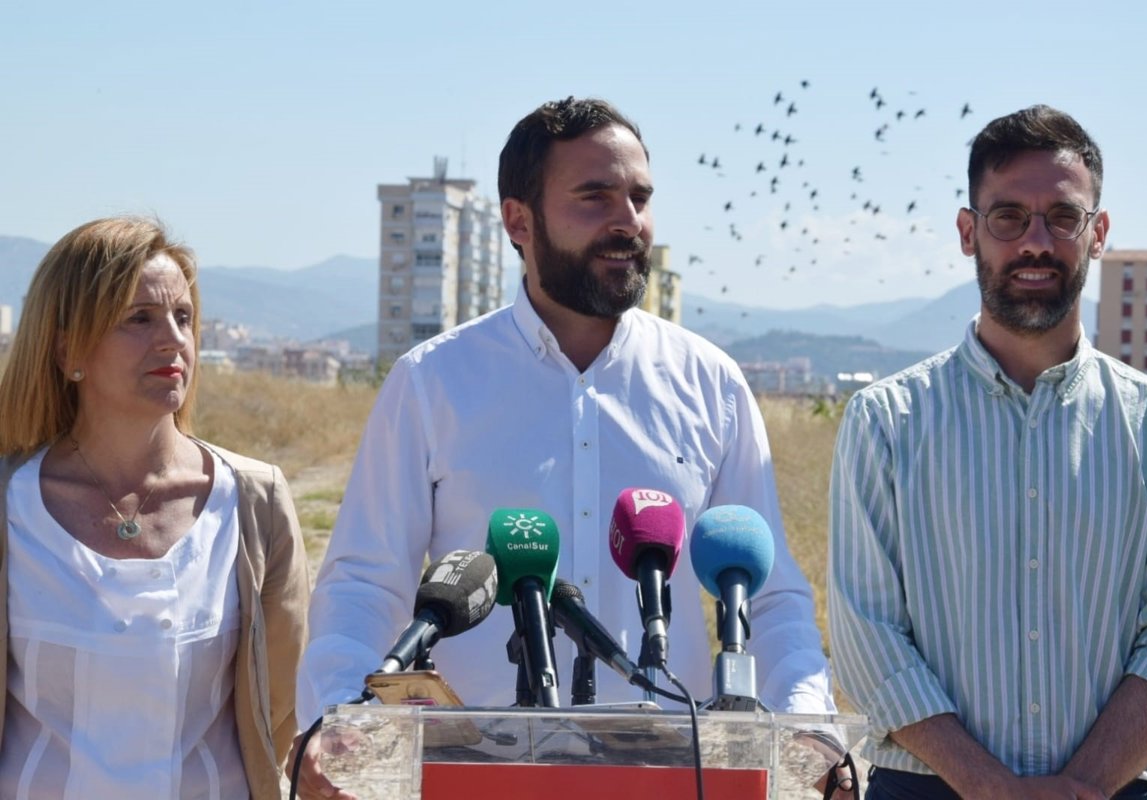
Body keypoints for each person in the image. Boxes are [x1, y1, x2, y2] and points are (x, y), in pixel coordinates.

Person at [292, 97, 842, 797]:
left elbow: (769, 597)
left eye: (640, 197)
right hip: (474, 775)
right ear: (518, 221)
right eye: (595, 197)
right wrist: (337, 716)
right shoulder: (432, 382)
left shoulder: (713, 385)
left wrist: (810, 726)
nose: (628, 221)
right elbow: (364, 585)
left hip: (672, 778)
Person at [829, 105, 1147, 800]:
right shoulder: (885, 422)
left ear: (1098, 233)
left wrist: (1079, 786)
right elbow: (866, 635)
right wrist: (989, 785)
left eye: (1062, 217)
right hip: (926, 788)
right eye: (1008, 217)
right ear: (969, 232)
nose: (1036, 242)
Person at [0, 217, 310, 799]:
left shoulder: (255, 501)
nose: (172, 340)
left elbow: (282, 712)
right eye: (138, 318)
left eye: (183, 317)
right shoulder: (9, 504)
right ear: (67, 349)